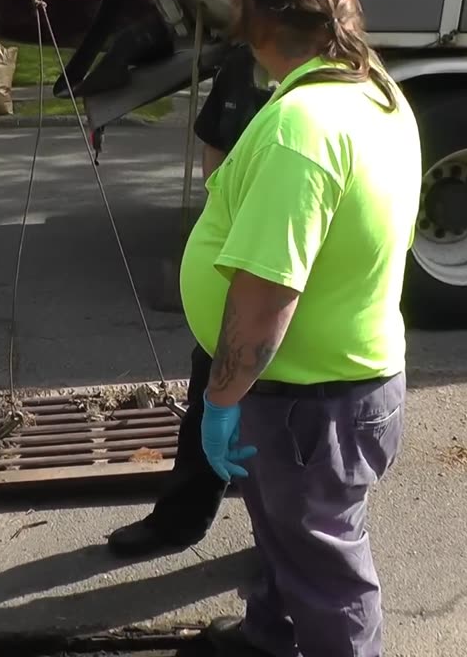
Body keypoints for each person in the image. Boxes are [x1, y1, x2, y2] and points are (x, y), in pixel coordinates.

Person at [181, 0, 421, 656]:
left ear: (253, 24)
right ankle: (270, 638)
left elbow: (266, 292)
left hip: (308, 406)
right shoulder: (373, 91)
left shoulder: (302, 128)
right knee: (289, 536)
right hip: (338, 392)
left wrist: (220, 401)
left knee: (327, 576)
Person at [106, 41, 275, 559]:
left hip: (278, 295)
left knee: (277, 429)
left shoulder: (313, 101)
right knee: (209, 402)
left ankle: (285, 553)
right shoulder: (246, 66)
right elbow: (214, 145)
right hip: (229, 293)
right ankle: (182, 520)